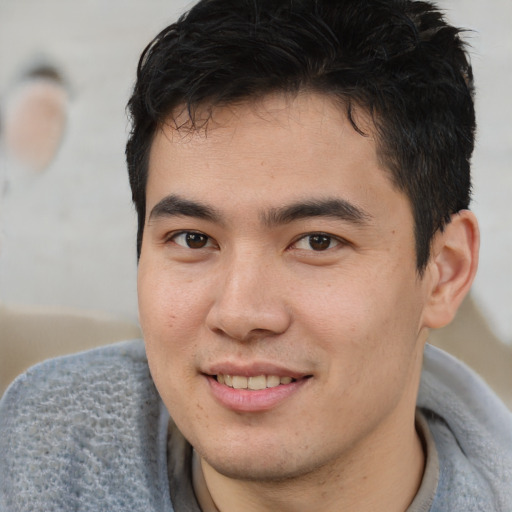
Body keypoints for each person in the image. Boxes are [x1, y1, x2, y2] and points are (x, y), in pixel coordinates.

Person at [1, 0, 511, 510]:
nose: (241, 314)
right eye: (193, 239)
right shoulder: (37, 445)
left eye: (317, 241)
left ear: (445, 272)